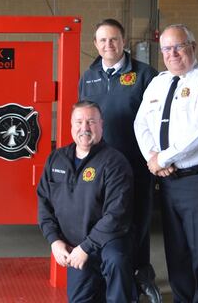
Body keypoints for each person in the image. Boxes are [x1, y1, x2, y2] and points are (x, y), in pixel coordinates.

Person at [134, 24, 198, 303]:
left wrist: (162, 159)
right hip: (170, 180)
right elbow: (140, 122)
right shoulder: (158, 82)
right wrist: (151, 158)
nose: (173, 53)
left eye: (179, 46)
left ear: (193, 46)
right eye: (166, 48)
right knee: (176, 252)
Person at [77, 19, 161, 302]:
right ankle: (107, 274)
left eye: (113, 39)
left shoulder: (145, 75)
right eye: (102, 40)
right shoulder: (88, 76)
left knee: (136, 223)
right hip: (100, 168)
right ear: (95, 44)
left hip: (136, 166)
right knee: (101, 220)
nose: (108, 45)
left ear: (124, 42)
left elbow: (157, 121)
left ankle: (138, 275)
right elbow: (83, 122)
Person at [37, 101, 135, 303]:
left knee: (117, 261)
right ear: (71, 125)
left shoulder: (115, 162)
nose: (85, 128)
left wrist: (85, 248)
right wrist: (54, 241)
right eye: (79, 122)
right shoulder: (56, 159)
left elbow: (116, 214)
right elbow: (44, 204)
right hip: (75, 247)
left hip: (108, 242)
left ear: (101, 125)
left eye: (91, 122)